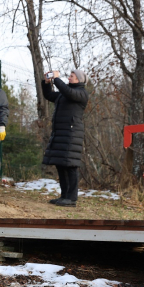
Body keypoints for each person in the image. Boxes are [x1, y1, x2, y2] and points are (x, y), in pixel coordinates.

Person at [42, 69, 89, 207]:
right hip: (61, 133)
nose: (69, 78)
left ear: (79, 80)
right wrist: (46, 83)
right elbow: (49, 95)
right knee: (61, 164)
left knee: (70, 166)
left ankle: (72, 198)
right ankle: (64, 196)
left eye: (72, 76)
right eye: (69, 76)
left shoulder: (81, 93)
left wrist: (56, 79)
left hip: (72, 134)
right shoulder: (63, 95)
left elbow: (69, 93)